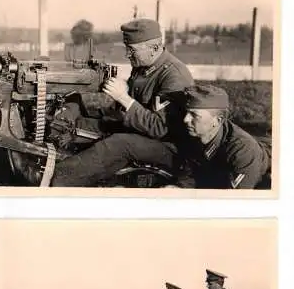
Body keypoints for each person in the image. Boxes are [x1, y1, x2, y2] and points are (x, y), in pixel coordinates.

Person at [12, 18, 194, 186]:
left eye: (131, 49)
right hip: (139, 132)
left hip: (168, 148)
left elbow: (160, 129)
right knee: (77, 124)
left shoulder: (174, 75)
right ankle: (40, 157)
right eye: (126, 47)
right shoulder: (143, 66)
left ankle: (54, 179)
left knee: (120, 143)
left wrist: (124, 98)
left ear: (154, 48)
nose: (127, 54)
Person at [172, 84, 272, 189]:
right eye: (186, 113)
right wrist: (178, 188)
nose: (186, 119)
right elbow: (189, 173)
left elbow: (234, 199)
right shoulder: (194, 134)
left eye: (194, 115)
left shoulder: (242, 150)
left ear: (218, 120)